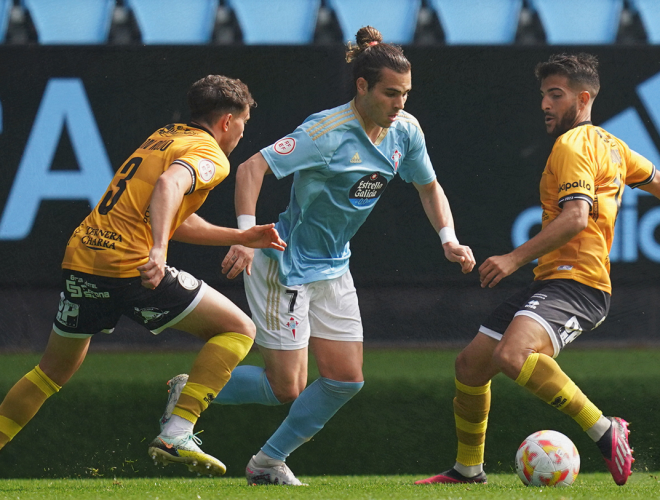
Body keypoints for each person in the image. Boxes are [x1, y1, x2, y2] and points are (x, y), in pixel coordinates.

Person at [158, 26, 476, 486]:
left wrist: (448, 237)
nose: (400, 103)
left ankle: (267, 462)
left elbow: (428, 185)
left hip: (334, 266)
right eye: (391, 93)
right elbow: (252, 168)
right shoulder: (323, 132)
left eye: (405, 93)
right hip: (284, 264)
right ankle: (191, 390)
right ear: (362, 87)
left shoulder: (404, 131)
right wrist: (246, 237)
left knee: (346, 380)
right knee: (285, 388)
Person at [0, 75, 286, 477]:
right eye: (243, 122)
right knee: (238, 329)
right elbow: (169, 187)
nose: (242, 131)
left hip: (83, 255)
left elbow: (166, 213)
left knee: (50, 373)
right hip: (130, 264)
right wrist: (157, 250)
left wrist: (241, 236)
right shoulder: (211, 155)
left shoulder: (164, 136)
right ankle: (177, 430)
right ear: (226, 121)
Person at [415, 53, 657, 487]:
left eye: (556, 94)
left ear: (583, 98)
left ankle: (605, 431)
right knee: (471, 366)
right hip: (555, 280)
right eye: (544, 94)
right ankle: (468, 470)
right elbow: (654, 179)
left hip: (579, 283)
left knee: (513, 355)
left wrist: (512, 258)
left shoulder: (573, 145)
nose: (545, 103)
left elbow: (576, 217)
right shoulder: (611, 144)